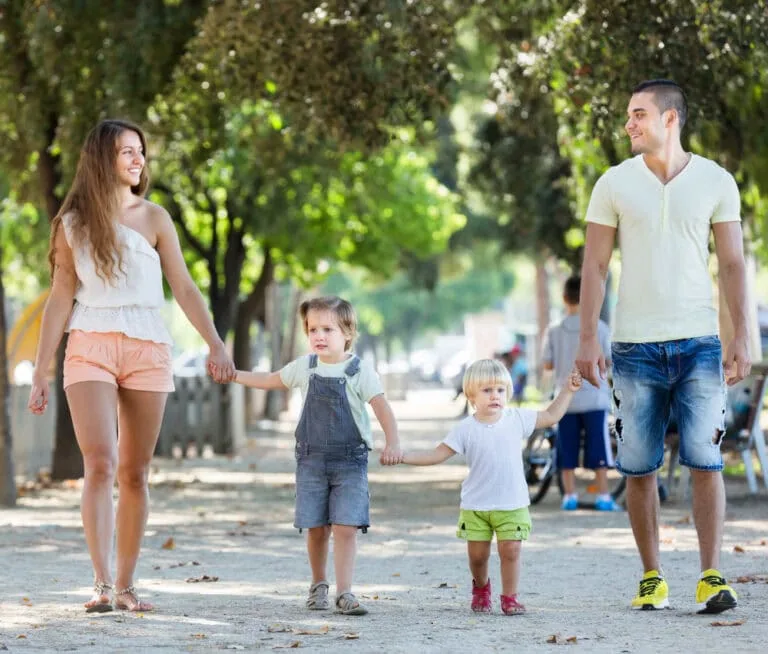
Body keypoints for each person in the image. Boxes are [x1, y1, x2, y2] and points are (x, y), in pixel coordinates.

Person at [27, 119, 235, 613]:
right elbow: (59, 299)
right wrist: (41, 369)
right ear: (103, 159)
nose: (138, 159)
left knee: (135, 473)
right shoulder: (71, 224)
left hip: (148, 347)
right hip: (90, 344)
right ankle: (99, 584)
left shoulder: (156, 218)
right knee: (98, 464)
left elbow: (183, 287)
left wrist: (215, 343)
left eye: (140, 151)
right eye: (126, 151)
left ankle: (125, 586)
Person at [575, 80, 749, 614]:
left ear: (670, 119)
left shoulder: (717, 181)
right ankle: (652, 577)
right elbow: (596, 266)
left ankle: (711, 576)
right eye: (628, 115)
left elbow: (733, 264)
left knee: (705, 460)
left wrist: (742, 334)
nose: (628, 124)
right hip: (632, 348)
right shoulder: (612, 183)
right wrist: (588, 335)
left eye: (638, 114)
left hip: (700, 343)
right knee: (638, 467)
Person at [233, 295, 402, 616]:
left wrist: (393, 442)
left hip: (350, 462)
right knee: (315, 526)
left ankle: (346, 592)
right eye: (312, 330)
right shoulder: (304, 368)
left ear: (348, 333)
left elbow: (381, 407)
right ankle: (318, 584)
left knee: (346, 526)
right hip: (311, 460)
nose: (319, 336)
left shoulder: (358, 371)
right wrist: (234, 375)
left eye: (328, 329)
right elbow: (270, 381)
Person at [398, 358, 582, 615]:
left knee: (511, 549)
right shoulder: (465, 429)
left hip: (512, 502)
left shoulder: (517, 418)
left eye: (500, 390)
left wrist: (568, 390)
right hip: (476, 505)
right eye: (487, 391)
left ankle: (510, 598)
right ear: (471, 396)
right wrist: (402, 456)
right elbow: (436, 455)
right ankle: (481, 587)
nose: (495, 396)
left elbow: (551, 415)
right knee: (477, 557)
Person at [542, 275, 620, 511]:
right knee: (599, 445)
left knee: (566, 446)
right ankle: (604, 496)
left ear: (564, 298)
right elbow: (607, 361)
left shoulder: (555, 330)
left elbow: (547, 365)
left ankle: (569, 495)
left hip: (565, 400)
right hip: (594, 397)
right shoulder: (601, 328)